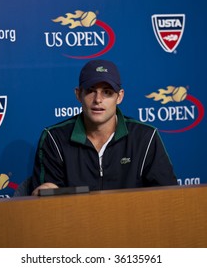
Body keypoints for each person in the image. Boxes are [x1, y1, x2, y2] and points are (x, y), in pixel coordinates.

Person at [30, 59, 177, 195]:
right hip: (76, 222)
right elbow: (48, 204)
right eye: (90, 91)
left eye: (107, 92)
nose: (98, 100)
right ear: (78, 94)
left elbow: (169, 197)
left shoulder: (145, 138)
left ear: (119, 97)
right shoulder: (55, 139)